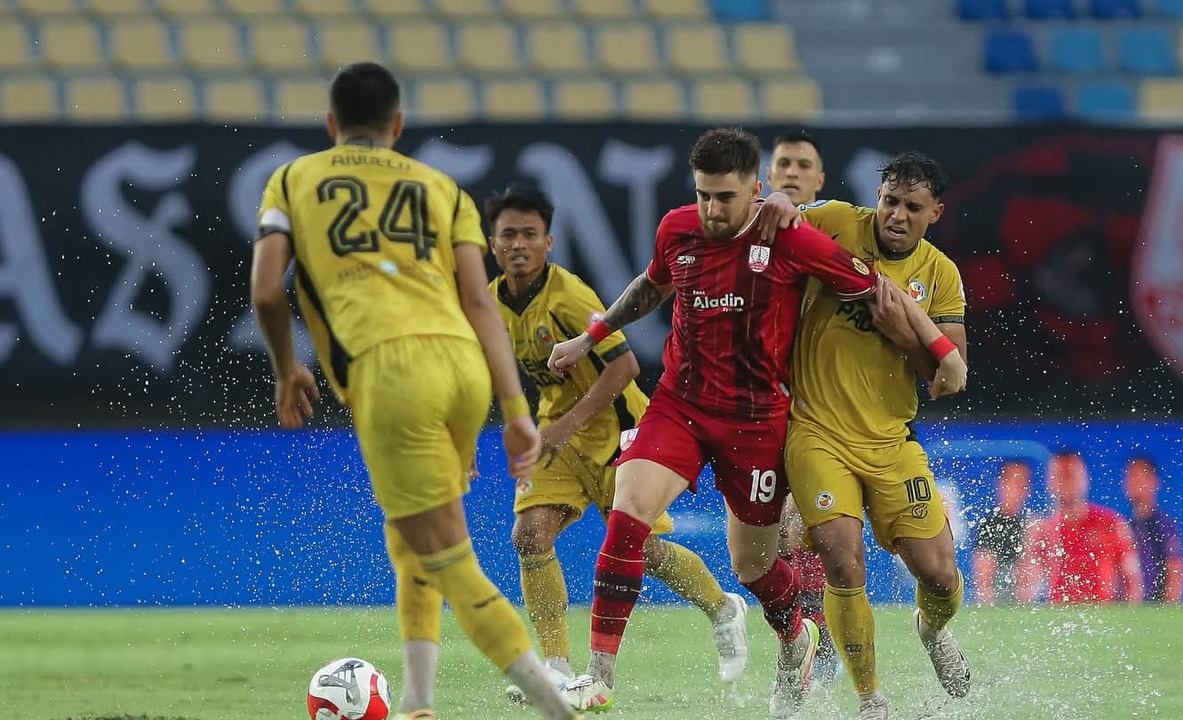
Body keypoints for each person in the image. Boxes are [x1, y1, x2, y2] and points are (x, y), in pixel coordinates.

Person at [547, 128, 967, 718]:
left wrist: (941, 351)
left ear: (756, 191)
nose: (712, 210)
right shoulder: (679, 228)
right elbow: (652, 284)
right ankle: (598, 675)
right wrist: (589, 336)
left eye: (725, 197)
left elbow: (874, 284)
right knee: (629, 513)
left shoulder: (794, 237)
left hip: (762, 422)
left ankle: (798, 634)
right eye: (703, 196)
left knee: (759, 566)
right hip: (685, 404)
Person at [249, 62, 584, 720]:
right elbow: (479, 303)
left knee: (448, 559)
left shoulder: (292, 179)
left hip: (391, 373)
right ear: (397, 125)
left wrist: (288, 366)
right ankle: (419, 703)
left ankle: (556, 709)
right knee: (410, 540)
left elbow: (265, 288)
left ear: (330, 125)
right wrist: (515, 410)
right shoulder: (440, 187)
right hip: (462, 366)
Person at [484, 184, 749, 702]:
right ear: (491, 244)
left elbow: (625, 366)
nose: (519, 244)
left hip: (617, 433)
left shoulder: (569, 297)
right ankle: (557, 666)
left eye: (529, 234)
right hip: (556, 432)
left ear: (549, 242)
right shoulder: (493, 302)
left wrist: (566, 426)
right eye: (508, 234)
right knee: (530, 535)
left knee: (644, 552)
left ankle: (723, 607)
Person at [758, 151, 972, 720]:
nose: (896, 215)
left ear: (935, 213)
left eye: (912, 207)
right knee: (842, 562)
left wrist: (904, 331)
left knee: (940, 574)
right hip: (817, 432)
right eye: (889, 201)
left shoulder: (940, 274)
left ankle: (932, 629)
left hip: (891, 441)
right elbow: (783, 221)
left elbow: (949, 377)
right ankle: (870, 698)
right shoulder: (834, 222)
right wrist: (781, 201)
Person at [765, 129, 839, 686]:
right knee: (763, 544)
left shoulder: (839, 237)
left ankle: (818, 639)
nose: (791, 171)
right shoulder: (743, 233)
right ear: (768, 176)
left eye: (803, 164)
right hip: (761, 405)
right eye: (782, 163)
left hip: (825, 409)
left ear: (820, 181)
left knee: (812, 527)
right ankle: (801, 638)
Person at [1021, 451, 1143, 605]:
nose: (1066, 483)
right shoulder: (1043, 530)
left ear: (1085, 479)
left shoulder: (1111, 523)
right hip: (1057, 620)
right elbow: (1027, 587)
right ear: (1049, 483)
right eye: (1060, 477)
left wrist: (1128, 621)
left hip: (1103, 615)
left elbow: (1133, 581)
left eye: (1071, 476)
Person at [1123, 456, 1183, 602]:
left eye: (1139, 477)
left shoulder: (1162, 525)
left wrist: (1165, 614)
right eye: (1130, 476)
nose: (1133, 482)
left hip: (1154, 612)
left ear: (1154, 482)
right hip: (1130, 613)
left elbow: (1176, 572)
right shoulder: (1125, 525)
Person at [973, 460, 1034, 605]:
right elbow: (983, 581)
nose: (1019, 489)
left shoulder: (1031, 524)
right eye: (1014, 482)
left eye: (1024, 484)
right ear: (1001, 484)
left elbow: (1031, 580)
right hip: (997, 603)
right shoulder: (989, 525)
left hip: (1024, 604)